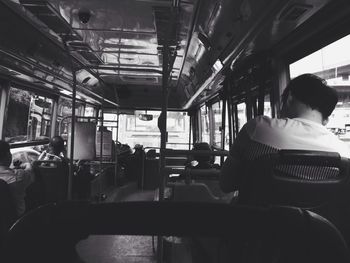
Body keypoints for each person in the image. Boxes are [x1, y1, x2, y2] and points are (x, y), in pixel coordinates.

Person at [220, 73, 350, 193]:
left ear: (289, 98)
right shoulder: (345, 154)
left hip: (258, 217)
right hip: (321, 218)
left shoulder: (257, 129)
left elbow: (226, 184)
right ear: (326, 119)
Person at [0, 140, 33, 216]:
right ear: (8, 155)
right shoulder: (18, 176)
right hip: (16, 222)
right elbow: (31, 174)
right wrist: (28, 164)